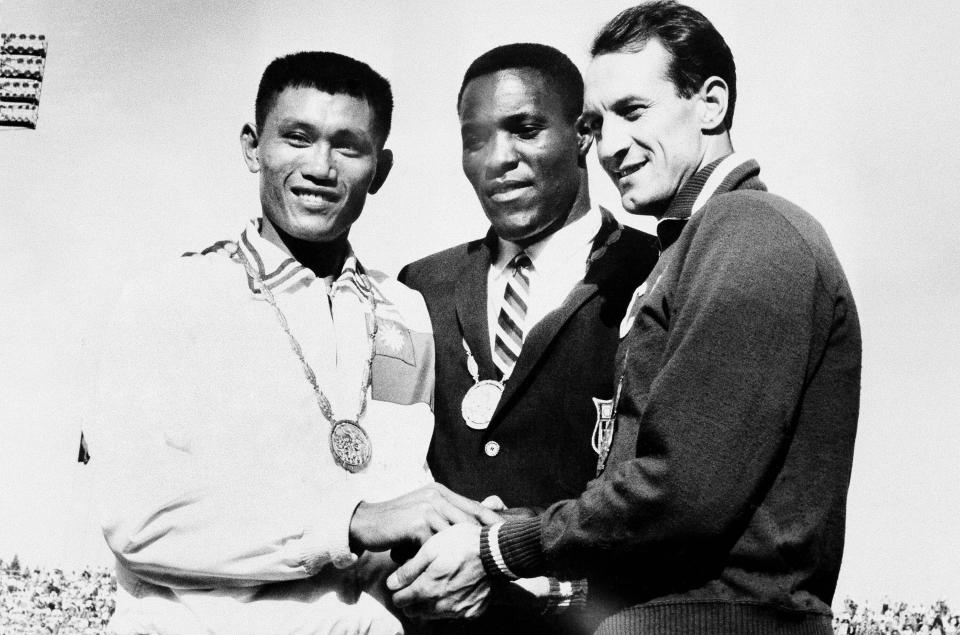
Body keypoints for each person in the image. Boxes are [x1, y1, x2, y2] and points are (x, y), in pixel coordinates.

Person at [386, 2, 862, 634]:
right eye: (597, 121)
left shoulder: (750, 231)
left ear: (712, 104)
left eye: (633, 112)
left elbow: (682, 493)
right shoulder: (697, 243)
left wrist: (500, 546)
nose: (608, 146)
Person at [85, 51, 498, 634]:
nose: (320, 167)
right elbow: (141, 522)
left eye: (348, 146)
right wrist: (349, 523)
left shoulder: (404, 311)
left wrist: (457, 548)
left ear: (379, 169)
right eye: (297, 138)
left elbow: (396, 502)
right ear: (253, 146)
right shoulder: (170, 297)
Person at [399, 43, 658, 634]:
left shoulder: (657, 271)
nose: (498, 159)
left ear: (586, 133)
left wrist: (548, 580)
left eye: (525, 129)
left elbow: (676, 497)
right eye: (475, 138)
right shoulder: (422, 285)